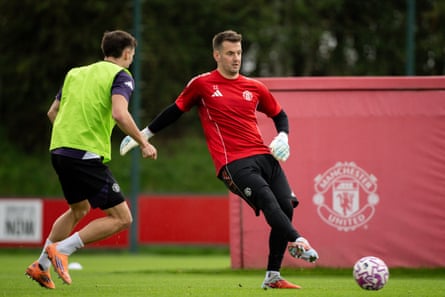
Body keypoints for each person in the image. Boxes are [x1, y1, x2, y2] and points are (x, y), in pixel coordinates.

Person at [120, 30, 318, 289]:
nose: (236, 58)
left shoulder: (254, 87)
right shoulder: (202, 84)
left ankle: (273, 276)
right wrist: (143, 135)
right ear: (216, 55)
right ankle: (299, 241)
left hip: (264, 157)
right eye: (229, 53)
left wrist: (283, 136)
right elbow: (175, 111)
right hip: (233, 163)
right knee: (268, 200)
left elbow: (280, 114)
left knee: (286, 207)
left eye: (238, 53)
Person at [25, 30, 157, 289]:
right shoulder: (121, 75)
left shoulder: (75, 73)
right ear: (127, 53)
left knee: (79, 209)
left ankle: (41, 266)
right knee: (122, 218)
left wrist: (68, 136)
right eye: (132, 55)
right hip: (84, 154)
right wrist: (144, 143)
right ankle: (62, 250)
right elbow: (120, 113)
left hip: (59, 150)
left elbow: (53, 112)